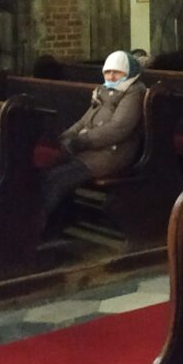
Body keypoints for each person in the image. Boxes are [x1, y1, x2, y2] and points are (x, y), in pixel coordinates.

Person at [40, 51, 146, 233]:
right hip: (90, 148)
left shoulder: (133, 92)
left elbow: (119, 128)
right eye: (107, 72)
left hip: (112, 153)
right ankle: (53, 221)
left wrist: (82, 141)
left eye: (117, 72)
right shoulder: (104, 91)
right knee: (48, 171)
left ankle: (37, 227)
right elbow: (84, 120)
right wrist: (67, 136)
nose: (111, 76)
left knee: (59, 178)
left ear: (128, 73)